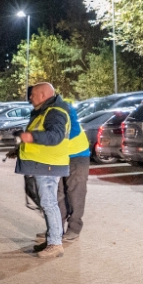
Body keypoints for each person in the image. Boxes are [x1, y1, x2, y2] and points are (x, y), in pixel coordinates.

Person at [16, 82, 73, 259]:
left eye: (33, 94)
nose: (30, 97)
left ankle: (55, 243)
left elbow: (55, 136)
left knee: (49, 203)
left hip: (48, 165)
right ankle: (52, 239)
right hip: (44, 164)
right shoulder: (46, 110)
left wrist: (31, 137)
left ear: (43, 95)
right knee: (47, 203)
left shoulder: (55, 112)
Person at [58, 103, 91, 244]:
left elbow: (71, 132)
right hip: (58, 157)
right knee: (57, 194)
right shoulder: (42, 111)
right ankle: (56, 228)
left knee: (75, 193)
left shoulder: (62, 108)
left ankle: (74, 228)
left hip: (77, 155)